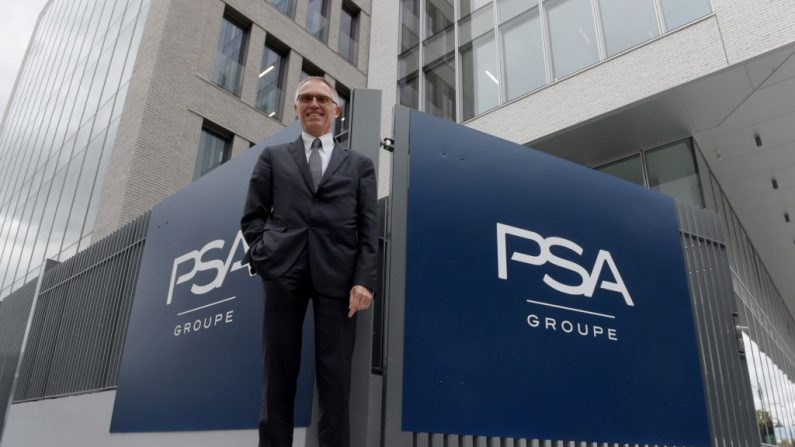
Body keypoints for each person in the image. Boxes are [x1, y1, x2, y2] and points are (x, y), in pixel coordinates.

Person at [240, 77, 378, 447]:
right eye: (306, 98)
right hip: (283, 271)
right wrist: (263, 254)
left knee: (336, 379)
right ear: (296, 107)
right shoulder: (273, 157)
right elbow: (252, 216)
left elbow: (368, 228)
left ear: (337, 109)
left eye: (322, 98)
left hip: (339, 276)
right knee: (278, 375)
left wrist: (363, 280)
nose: (314, 104)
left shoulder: (360, 165)